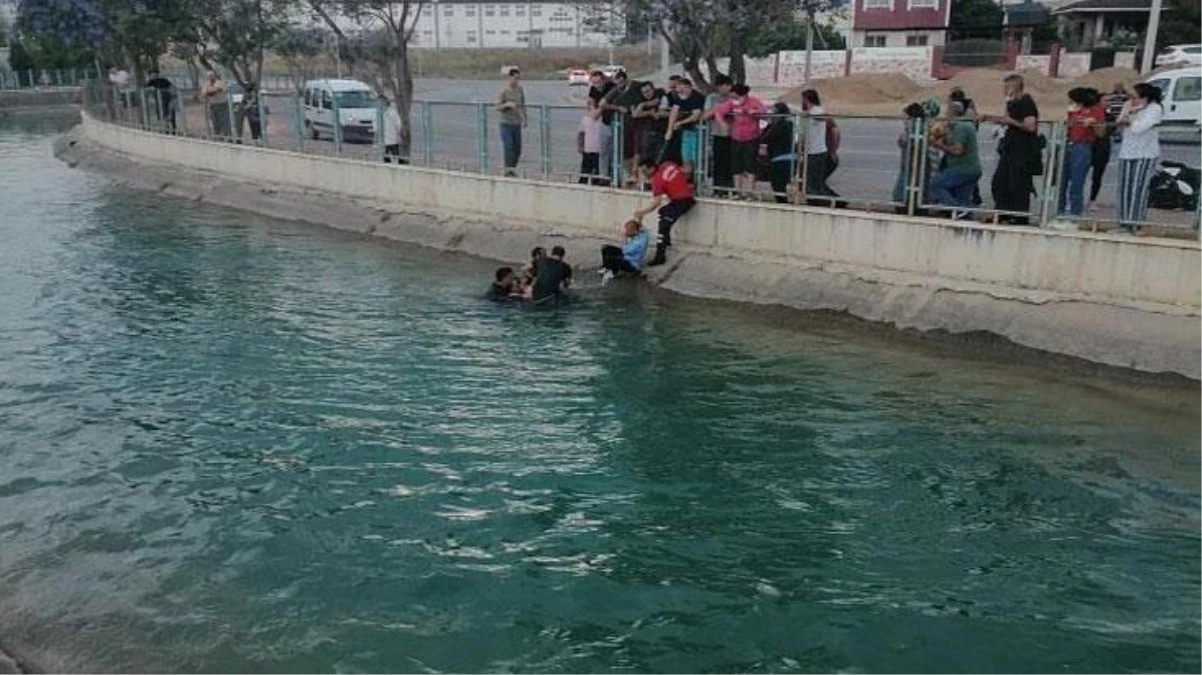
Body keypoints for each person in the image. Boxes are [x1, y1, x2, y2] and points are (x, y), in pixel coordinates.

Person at [981, 74, 1040, 225]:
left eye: (1007, 87)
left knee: (1018, 184)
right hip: (1010, 148)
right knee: (1000, 183)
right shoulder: (1012, 104)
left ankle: (1019, 217)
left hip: (1022, 150)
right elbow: (1005, 119)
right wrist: (988, 117)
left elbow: (1031, 126)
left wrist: (1011, 121)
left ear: (1015, 88)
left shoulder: (1026, 102)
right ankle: (1003, 213)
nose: (1005, 91)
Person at [1115, 82, 1164, 233]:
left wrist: (1130, 118)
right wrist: (1127, 115)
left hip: (1145, 153)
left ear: (1145, 97)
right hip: (1127, 151)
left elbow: (1139, 128)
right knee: (1124, 188)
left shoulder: (1154, 109)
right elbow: (1119, 124)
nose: (1132, 100)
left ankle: (1135, 222)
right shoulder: (1128, 106)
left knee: (1138, 189)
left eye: (1135, 97)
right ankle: (1123, 222)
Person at [633, 155, 695, 266]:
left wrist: (641, 212)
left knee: (663, 225)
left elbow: (656, 203)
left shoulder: (656, 180)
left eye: (645, 171)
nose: (644, 174)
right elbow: (685, 170)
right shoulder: (668, 164)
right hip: (685, 198)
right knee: (663, 211)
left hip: (681, 202)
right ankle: (667, 240)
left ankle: (660, 256)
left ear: (651, 168)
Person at [928, 101, 982, 219]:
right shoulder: (956, 127)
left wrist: (939, 145)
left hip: (964, 168)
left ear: (952, 112)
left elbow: (958, 150)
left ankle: (956, 210)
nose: (945, 115)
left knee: (936, 185)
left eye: (947, 112)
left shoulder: (961, 126)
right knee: (963, 199)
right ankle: (965, 221)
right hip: (971, 169)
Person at [712, 83, 766, 198]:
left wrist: (752, 112)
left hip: (752, 136)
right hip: (736, 137)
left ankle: (750, 191)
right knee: (736, 164)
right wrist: (722, 123)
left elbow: (763, 112)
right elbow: (719, 110)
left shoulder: (753, 101)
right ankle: (738, 191)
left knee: (750, 163)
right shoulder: (732, 102)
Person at [1059, 87, 1105, 218]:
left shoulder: (1096, 111)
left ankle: (1075, 213)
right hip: (1067, 144)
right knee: (1061, 181)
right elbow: (1064, 126)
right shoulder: (1071, 110)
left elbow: (1101, 133)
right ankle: (1059, 212)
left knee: (1077, 182)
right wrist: (1069, 121)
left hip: (1082, 146)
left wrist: (1093, 123)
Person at [800, 89, 838, 205]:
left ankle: (824, 202)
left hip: (816, 151)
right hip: (811, 151)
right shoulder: (807, 114)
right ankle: (828, 201)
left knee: (812, 183)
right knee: (812, 182)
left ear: (806, 99)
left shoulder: (816, 112)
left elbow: (830, 121)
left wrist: (814, 117)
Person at [665, 78, 706, 172]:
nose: (680, 94)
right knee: (686, 156)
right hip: (687, 131)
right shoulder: (680, 97)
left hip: (698, 131)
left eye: (682, 91)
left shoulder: (697, 97)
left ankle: (698, 179)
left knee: (696, 157)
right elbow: (674, 111)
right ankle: (688, 178)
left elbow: (696, 115)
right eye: (678, 92)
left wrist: (680, 122)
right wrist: (669, 129)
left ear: (688, 87)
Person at [758, 102, 796, 204]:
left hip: (779, 158)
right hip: (786, 157)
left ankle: (783, 203)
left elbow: (766, 138)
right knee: (781, 186)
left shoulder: (778, 126)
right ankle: (784, 201)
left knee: (778, 186)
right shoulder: (789, 124)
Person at [704, 74, 735, 197]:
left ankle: (729, 188)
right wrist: (719, 109)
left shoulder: (735, 98)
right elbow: (705, 115)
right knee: (718, 162)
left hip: (733, 135)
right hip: (717, 134)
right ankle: (717, 189)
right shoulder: (712, 98)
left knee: (731, 163)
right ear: (718, 87)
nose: (726, 88)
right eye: (723, 85)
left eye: (728, 85)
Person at [630, 81, 667, 168]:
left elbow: (657, 102)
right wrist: (649, 112)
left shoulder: (660, 93)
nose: (647, 94)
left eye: (648, 91)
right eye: (644, 92)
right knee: (642, 154)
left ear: (653, 89)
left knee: (658, 156)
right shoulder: (638, 98)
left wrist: (645, 105)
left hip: (659, 131)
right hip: (643, 131)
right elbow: (635, 114)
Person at [497, 68, 527, 176]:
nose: (517, 81)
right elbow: (498, 106)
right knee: (508, 146)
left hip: (516, 122)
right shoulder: (504, 90)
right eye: (515, 78)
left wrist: (525, 119)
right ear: (510, 78)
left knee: (517, 149)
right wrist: (507, 105)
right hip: (506, 123)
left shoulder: (520, 90)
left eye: (518, 79)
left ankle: (512, 168)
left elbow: (523, 105)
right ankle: (508, 170)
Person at [588, 71, 617, 180]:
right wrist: (593, 110)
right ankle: (604, 177)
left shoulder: (612, 87)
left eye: (599, 82)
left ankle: (615, 176)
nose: (597, 86)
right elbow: (591, 101)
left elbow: (610, 103)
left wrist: (599, 110)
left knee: (615, 151)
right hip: (605, 122)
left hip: (615, 121)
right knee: (603, 151)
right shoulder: (593, 89)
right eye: (595, 83)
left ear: (604, 80)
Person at [578, 98, 607, 184]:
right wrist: (580, 146)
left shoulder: (601, 118)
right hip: (588, 148)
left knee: (596, 169)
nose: (588, 106)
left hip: (598, 149)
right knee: (585, 169)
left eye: (590, 104)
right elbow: (581, 133)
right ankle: (583, 182)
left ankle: (597, 181)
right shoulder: (585, 118)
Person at [201, 71, 231, 139]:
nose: (210, 77)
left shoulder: (219, 82)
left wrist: (208, 92)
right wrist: (208, 92)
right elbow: (203, 94)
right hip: (213, 105)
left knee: (224, 121)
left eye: (211, 75)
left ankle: (226, 136)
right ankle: (217, 135)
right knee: (215, 121)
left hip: (222, 104)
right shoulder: (206, 84)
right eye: (209, 76)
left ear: (214, 75)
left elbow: (215, 91)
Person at [382, 96, 404, 163]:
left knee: (395, 155)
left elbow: (398, 124)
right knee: (387, 155)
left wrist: (398, 135)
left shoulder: (392, 113)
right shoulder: (381, 113)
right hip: (385, 139)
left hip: (392, 138)